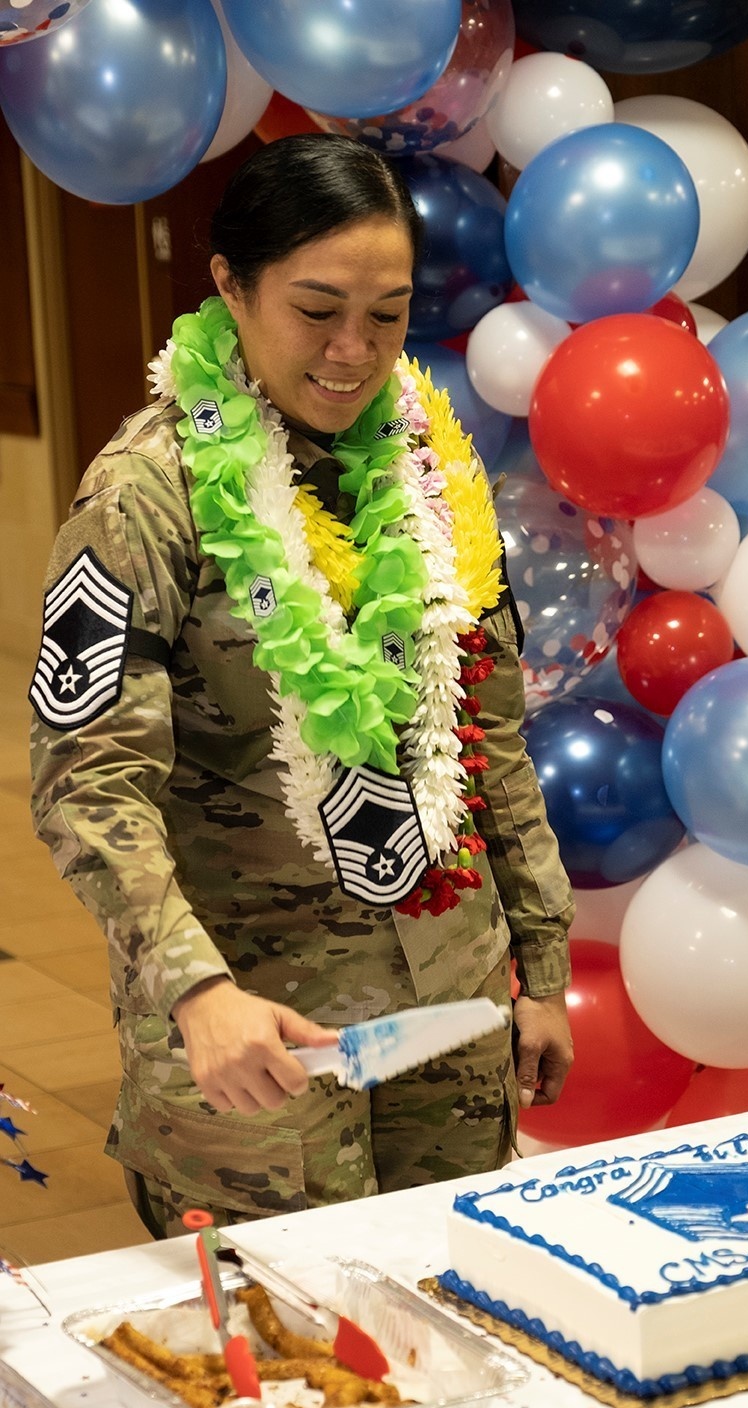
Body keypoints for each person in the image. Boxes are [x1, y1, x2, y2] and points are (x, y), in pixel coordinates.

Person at [29, 135, 574, 1239]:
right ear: (229, 285)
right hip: (258, 1032)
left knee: (450, 1312)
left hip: (450, 1012)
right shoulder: (144, 497)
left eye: (386, 312)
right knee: (285, 1364)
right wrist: (193, 991)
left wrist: (542, 965)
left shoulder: (436, 469)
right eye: (315, 307)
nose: (353, 350)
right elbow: (88, 786)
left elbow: (491, 735)